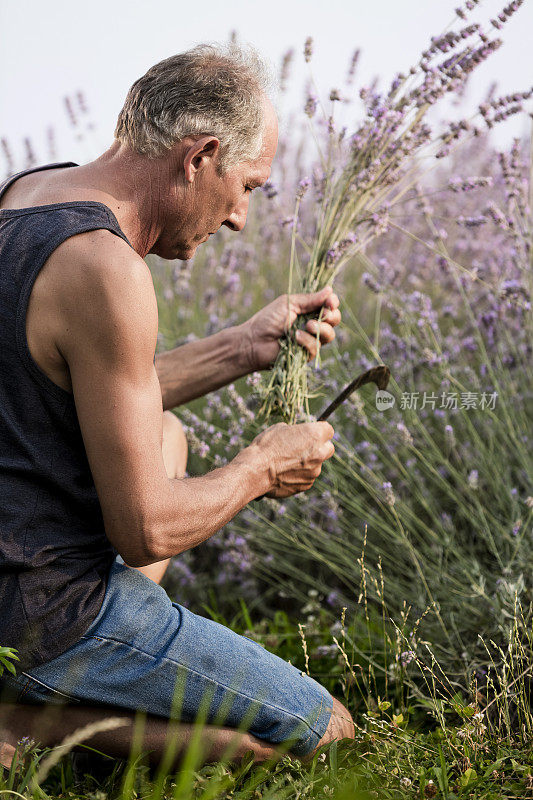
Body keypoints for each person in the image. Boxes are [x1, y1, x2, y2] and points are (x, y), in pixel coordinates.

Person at [0, 43, 354, 769]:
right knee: (317, 733)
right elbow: (147, 531)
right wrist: (261, 466)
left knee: (165, 434)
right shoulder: (105, 267)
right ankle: (23, 723)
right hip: (42, 611)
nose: (240, 220)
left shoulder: (25, 195)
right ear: (200, 157)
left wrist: (241, 346)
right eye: (248, 186)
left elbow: (64, 389)